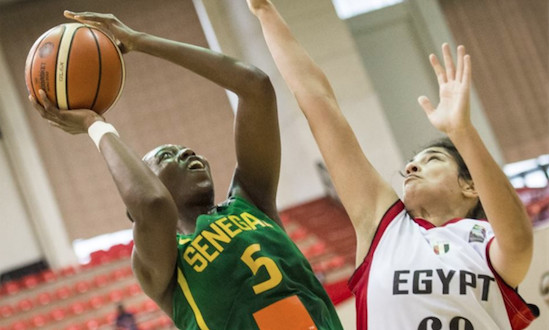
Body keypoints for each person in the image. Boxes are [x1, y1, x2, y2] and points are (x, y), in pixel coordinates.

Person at [29, 10, 343, 330]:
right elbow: (152, 205)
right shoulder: (164, 267)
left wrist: (141, 42)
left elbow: (255, 86)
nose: (186, 152)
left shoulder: (252, 200)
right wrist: (95, 125)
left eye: (184, 150)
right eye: (167, 155)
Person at [246, 1, 538, 329]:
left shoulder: (483, 238)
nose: (411, 168)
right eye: (411, 164)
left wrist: (462, 132)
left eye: (432, 160)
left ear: (470, 186)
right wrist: (265, 12)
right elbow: (320, 104)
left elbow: (518, 242)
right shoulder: (383, 228)